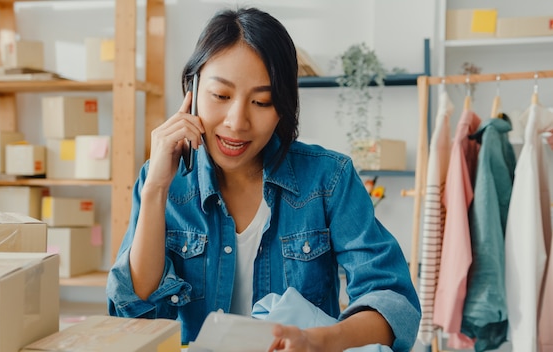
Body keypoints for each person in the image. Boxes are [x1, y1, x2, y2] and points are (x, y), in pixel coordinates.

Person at [106, 7, 420, 352]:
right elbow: (131, 311)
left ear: (283, 106)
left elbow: (394, 303)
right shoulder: (164, 181)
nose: (237, 121)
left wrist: (316, 340)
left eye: (261, 101)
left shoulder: (329, 179)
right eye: (221, 96)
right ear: (193, 88)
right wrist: (155, 188)